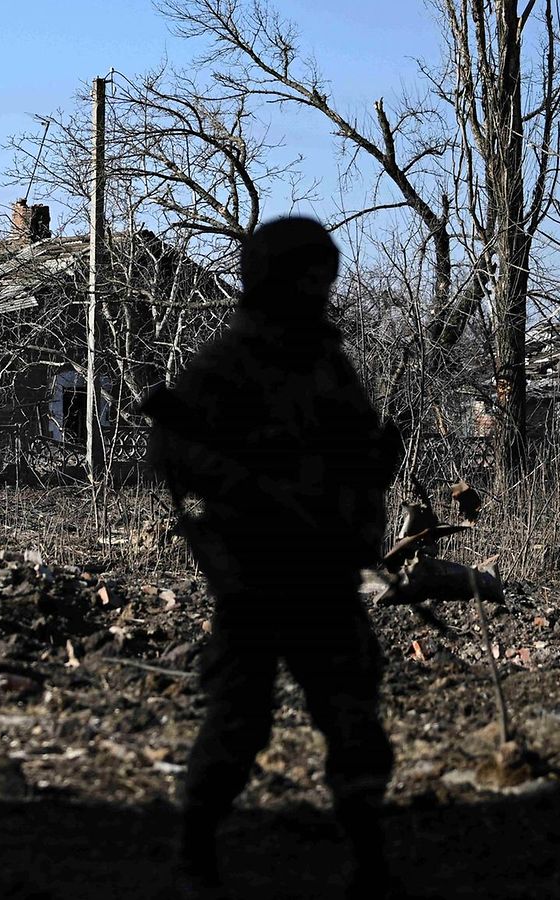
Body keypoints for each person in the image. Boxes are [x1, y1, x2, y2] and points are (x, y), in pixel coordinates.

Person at [142, 217, 402, 899]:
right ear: (274, 278)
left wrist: (373, 466)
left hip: (325, 571)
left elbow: (350, 452)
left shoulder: (326, 359)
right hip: (256, 573)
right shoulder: (231, 360)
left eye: (326, 274)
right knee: (238, 716)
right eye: (307, 275)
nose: (320, 288)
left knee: (353, 717)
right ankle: (195, 848)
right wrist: (246, 487)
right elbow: (170, 451)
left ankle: (369, 858)